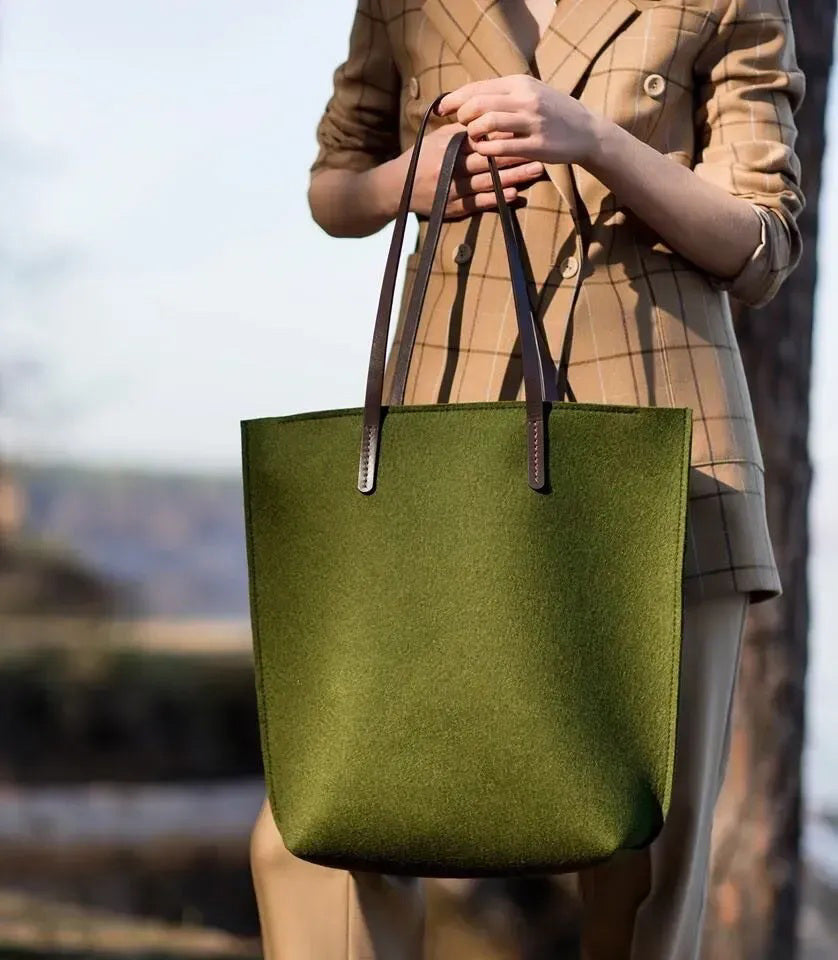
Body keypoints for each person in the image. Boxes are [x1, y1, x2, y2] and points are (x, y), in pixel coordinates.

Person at [249, 0, 806, 957]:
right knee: (322, 829)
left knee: (643, 863)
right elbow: (333, 187)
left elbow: (763, 245)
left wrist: (596, 140)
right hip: (441, 446)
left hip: (665, 453)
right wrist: (407, 180)